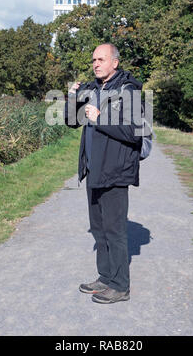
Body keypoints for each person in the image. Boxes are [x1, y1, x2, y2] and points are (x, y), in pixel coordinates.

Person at [65, 43, 143, 304]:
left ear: (115, 63)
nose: (96, 63)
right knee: (99, 229)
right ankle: (106, 277)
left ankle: (120, 286)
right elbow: (72, 121)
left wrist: (101, 118)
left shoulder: (128, 90)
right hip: (94, 169)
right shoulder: (92, 88)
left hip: (116, 170)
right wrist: (72, 98)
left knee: (114, 230)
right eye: (94, 60)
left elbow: (134, 132)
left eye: (101, 59)